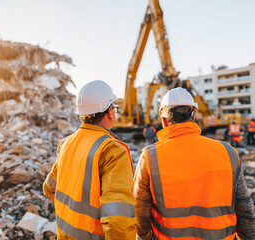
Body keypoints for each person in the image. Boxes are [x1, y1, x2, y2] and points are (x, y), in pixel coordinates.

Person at [133, 87, 255, 240]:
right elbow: (245, 210)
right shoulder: (228, 152)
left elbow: (139, 211)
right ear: (194, 116)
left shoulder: (150, 157)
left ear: (163, 120)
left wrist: (144, 237)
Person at [43, 80, 137, 239]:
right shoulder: (112, 150)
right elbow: (118, 219)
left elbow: (49, 188)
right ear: (110, 112)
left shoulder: (66, 144)